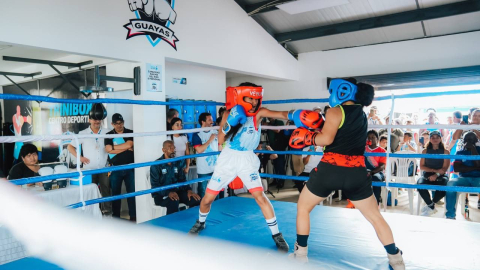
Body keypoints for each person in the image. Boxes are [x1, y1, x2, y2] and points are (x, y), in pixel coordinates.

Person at [188, 82, 324, 253]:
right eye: (249, 99)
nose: (253, 103)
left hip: (247, 159)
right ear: (241, 97)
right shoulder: (230, 113)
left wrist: (297, 114)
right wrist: (230, 122)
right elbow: (221, 140)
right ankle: (200, 222)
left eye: (256, 99)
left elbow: (281, 114)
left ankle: (276, 235)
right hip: (228, 158)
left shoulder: (259, 113)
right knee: (207, 199)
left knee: (260, 197)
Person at [288, 78, 404, 269]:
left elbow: (326, 139)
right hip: (356, 173)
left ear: (341, 90)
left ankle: (300, 254)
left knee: (303, 207)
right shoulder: (362, 114)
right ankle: (396, 258)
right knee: (375, 217)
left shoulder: (334, 111)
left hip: (330, 170)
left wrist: (308, 137)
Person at [68, 103, 111, 215]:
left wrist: (112, 163)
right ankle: (91, 213)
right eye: (94, 120)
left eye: (99, 120)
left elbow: (112, 147)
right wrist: (80, 158)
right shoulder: (83, 133)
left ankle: (107, 213)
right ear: (89, 120)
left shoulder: (107, 132)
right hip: (89, 169)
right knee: (89, 192)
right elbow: (70, 146)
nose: (97, 122)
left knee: (106, 191)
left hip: (103, 168)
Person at [150, 141, 201, 215]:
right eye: (170, 147)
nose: (172, 149)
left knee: (195, 199)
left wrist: (189, 190)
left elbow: (182, 179)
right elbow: (155, 186)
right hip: (161, 195)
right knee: (173, 201)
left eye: (173, 147)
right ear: (163, 150)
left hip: (177, 192)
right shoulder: (156, 165)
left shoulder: (177, 163)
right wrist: (168, 193)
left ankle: (192, 223)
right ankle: (170, 225)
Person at [104, 113, 136, 221]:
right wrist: (125, 148)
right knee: (115, 194)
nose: (119, 125)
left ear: (123, 122)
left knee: (131, 193)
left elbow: (129, 145)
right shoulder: (108, 135)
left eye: (121, 123)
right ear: (112, 124)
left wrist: (114, 149)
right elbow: (108, 149)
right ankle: (116, 218)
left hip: (130, 167)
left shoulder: (130, 132)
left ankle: (133, 216)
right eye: (116, 124)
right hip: (115, 168)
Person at [446, 132, 480, 219]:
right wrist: (475, 168)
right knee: (450, 184)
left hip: (478, 179)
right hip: (464, 178)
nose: (468, 142)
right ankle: (450, 215)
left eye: (471, 140)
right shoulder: (460, 152)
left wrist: (473, 150)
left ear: (476, 140)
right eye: (466, 140)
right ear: (463, 141)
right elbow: (457, 168)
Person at [416, 130, 450, 216]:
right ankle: (431, 206)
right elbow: (422, 166)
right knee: (420, 184)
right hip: (427, 174)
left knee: (445, 185)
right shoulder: (425, 151)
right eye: (433, 137)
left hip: (441, 175)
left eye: (437, 137)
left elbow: (445, 168)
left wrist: (436, 174)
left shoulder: (446, 152)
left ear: (440, 139)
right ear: (430, 139)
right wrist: (434, 171)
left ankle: (431, 205)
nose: (435, 139)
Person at [192, 112, 219, 198]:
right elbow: (199, 150)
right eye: (209, 120)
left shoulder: (215, 131)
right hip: (203, 169)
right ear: (203, 122)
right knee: (203, 193)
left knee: (216, 193)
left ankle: (216, 210)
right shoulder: (197, 134)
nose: (212, 121)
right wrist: (209, 140)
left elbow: (221, 146)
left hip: (215, 168)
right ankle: (203, 211)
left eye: (212, 119)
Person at [365, 130, 387, 206]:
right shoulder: (363, 149)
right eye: (368, 137)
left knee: (376, 179)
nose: (370, 139)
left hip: (377, 172)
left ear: (377, 139)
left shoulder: (382, 151)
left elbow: (382, 166)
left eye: (373, 137)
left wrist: (371, 173)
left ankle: (376, 203)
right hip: (364, 171)